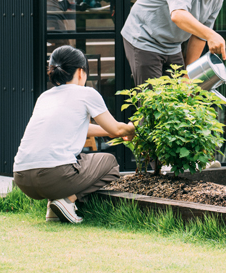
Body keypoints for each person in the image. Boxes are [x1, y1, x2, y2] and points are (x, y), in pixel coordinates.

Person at [13, 46, 135, 224]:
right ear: (80, 71)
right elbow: (117, 129)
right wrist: (133, 128)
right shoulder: (86, 93)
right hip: (53, 176)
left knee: (69, 160)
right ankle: (67, 200)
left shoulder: (44, 97)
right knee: (110, 164)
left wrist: (114, 133)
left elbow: (84, 128)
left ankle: (54, 209)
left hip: (22, 178)